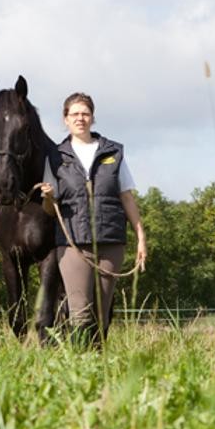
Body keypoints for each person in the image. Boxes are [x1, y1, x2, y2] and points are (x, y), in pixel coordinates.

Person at [39, 92, 147, 346]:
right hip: (72, 243)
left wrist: (141, 237)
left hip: (111, 241)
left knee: (102, 314)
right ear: (65, 119)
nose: (80, 118)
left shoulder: (114, 153)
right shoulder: (55, 157)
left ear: (92, 118)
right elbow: (48, 209)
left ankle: (98, 369)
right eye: (74, 114)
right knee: (80, 314)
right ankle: (79, 366)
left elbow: (127, 197)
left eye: (85, 113)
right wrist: (49, 196)